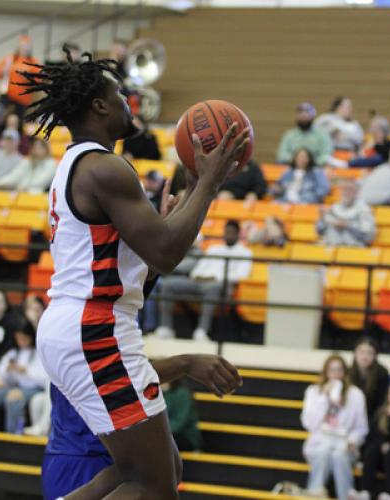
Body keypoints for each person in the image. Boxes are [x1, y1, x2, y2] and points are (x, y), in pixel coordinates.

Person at [19, 47, 248, 499]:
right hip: (92, 327)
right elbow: (165, 252)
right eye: (119, 93)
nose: (128, 101)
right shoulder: (105, 166)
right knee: (153, 484)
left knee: (154, 468)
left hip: (85, 322)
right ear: (99, 106)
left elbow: (139, 262)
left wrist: (174, 214)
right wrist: (208, 182)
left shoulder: (77, 165)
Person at [42, 353, 240, 500]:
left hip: (92, 455)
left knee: (167, 471)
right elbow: (120, 380)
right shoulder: (91, 319)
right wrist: (186, 363)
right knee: (159, 481)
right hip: (83, 458)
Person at [155, 220, 252, 342]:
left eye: (232, 232)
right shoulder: (214, 249)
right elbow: (198, 268)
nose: (229, 235)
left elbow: (242, 274)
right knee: (169, 284)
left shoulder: (244, 252)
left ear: (238, 234)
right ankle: (166, 328)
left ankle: (202, 331)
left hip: (220, 285)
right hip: (199, 281)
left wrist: (215, 278)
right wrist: (198, 276)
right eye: (227, 232)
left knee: (213, 287)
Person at [301, 354, 368, 500]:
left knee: (338, 455)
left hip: (345, 444)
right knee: (323, 451)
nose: (335, 374)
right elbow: (309, 423)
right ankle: (316, 494)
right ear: (325, 372)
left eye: (339, 370)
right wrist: (323, 398)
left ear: (345, 372)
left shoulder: (356, 394)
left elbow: (361, 427)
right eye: (331, 370)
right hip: (320, 441)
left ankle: (343, 496)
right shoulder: (313, 392)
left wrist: (353, 441)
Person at [0, 318, 47, 433]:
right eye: (19, 338)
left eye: (24, 337)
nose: (22, 341)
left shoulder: (40, 352)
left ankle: (14, 437)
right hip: (15, 386)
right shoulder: (13, 353)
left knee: (13, 398)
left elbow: (45, 380)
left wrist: (26, 371)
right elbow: (4, 375)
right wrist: (6, 373)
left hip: (35, 389)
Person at [317, 179, 376, 247]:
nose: (346, 192)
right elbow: (320, 232)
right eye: (344, 189)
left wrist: (347, 226)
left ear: (357, 192)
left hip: (353, 250)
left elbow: (368, 238)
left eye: (350, 189)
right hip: (331, 247)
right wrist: (322, 218)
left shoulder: (364, 210)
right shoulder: (334, 208)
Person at [0, 35, 40, 117]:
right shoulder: (10, 59)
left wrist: (28, 77)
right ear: (18, 46)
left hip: (22, 98)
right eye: (22, 46)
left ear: (30, 48)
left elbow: (38, 80)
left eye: (26, 46)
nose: (24, 48)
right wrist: (3, 70)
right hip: (6, 95)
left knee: (18, 120)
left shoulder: (33, 62)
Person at [277, 102, 333, 166]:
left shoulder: (322, 135)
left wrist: (310, 162)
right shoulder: (289, 135)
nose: (303, 116)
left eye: (306, 113)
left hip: (315, 168)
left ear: (312, 116)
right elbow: (282, 154)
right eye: (300, 113)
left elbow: (326, 155)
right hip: (292, 167)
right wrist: (297, 161)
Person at [348, 337, 390, 422]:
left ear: (375, 356)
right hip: (350, 416)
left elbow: (381, 403)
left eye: (370, 353)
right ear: (355, 353)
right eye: (362, 352)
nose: (365, 356)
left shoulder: (382, 373)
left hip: (373, 417)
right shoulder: (347, 372)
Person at [163, 380, 202, 452]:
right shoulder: (157, 394)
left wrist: (159, 431)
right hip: (166, 434)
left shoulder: (182, 393)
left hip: (184, 436)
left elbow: (179, 423)